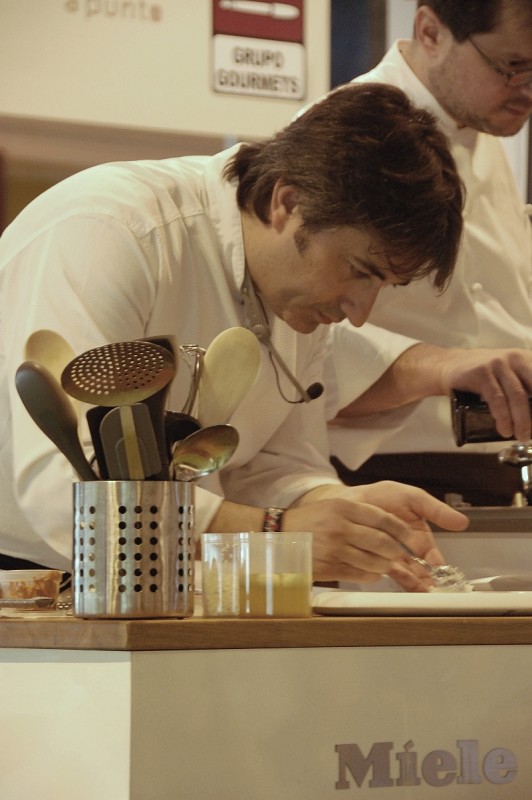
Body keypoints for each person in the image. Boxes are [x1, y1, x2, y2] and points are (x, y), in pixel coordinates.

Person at [0, 83, 468, 589]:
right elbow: (65, 491)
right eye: (359, 270)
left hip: (168, 577)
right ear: (287, 202)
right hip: (25, 577)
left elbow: (272, 465)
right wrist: (278, 533)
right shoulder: (113, 230)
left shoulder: (298, 296)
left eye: (383, 285)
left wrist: (340, 510)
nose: (360, 313)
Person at [326, 0, 532, 506]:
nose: (529, 90)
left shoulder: (479, 120)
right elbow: (295, 332)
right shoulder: (346, 136)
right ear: (430, 30)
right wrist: (441, 368)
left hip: (495, 467)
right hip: (383, 474)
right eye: (513, 67)